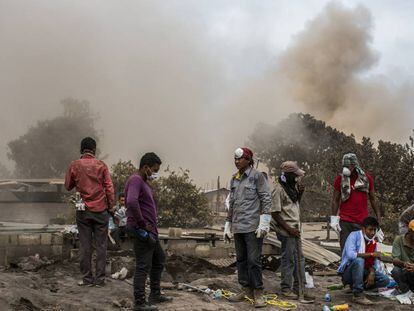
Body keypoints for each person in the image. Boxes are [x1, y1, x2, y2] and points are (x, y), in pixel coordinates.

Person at [223, 147, 272, 308]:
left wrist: (264, 221)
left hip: (252, 226)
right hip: (238, 226)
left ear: (249, 160)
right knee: (241, 260)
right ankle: (245, 289)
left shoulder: (258, 177)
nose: (237, 161)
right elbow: (232, 203)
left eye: (240, 158)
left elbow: (266, 198)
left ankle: (258, 292)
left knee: (254, 261)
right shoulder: (234, 179)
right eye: (235, 159)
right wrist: (228, 224)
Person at [64, 137, 115, 287]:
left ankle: (87, 279)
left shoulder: (74, 165)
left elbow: (68, 186)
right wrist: (111, 206)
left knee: (85, 246)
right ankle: (100, 280)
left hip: (83, 211)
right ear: (94, 150)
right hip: (100, 211)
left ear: (81, 150)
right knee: (101, 246)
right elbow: (109, 188)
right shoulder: (101, 165)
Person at [125, 152, 172, 311]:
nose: (154, 173)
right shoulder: (136, 180)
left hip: (150, 230)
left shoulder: (143, 182)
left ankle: (155, 294)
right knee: (143, 265)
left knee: (159, 259)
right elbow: (131, 201)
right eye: (154, 170)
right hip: (141, 230)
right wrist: (142, 224)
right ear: (145, 167)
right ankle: (139, 303)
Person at [271, 161, 314, 301]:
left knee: (300, 259)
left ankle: (299, 288)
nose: (297, 178)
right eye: (295, 175)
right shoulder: (278, 189)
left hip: (295, 230)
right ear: (288, 175)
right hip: (287, 230)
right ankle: (286, 289)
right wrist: (289, 229)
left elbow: (294, 207)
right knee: (289, 260)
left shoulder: (292, 187)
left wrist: (300, 194)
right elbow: (275, 213)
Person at [331, 153, 381, 251]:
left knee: (361, 252)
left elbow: (372, 199)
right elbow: (335, 199)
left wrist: (378, 217)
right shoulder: (340, 179)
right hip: (345, 222)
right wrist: (334, 218)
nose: (346, 169)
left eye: (348, 166)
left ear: (354, 165)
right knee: (346, 252)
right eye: (344, 166)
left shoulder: (366, 179)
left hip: (361, 222)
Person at [337, 217, 389, 305]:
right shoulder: (353, 236)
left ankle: (357, 287)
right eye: (370, 230)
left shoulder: (373, 242)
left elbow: (374, 262)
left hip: (364, 271)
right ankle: (358, 294)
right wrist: (371, 254)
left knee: (385, 280)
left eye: (374, 230)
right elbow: (351, 255)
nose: (372, 233)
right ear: (363, 229)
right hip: (348, 273)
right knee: (359, 260)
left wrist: (372, 272)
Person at [391, 219, 414, 295]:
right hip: (404, 271)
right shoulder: (399, 240)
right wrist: (404, 264)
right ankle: (406, 290)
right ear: (410, 231)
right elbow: (395, 260)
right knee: (395, 270)